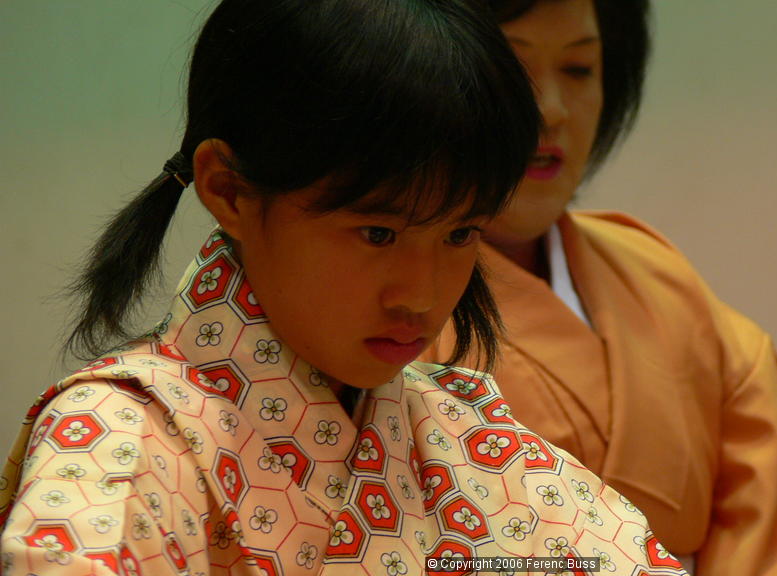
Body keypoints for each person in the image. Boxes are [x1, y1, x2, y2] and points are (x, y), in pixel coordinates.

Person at [0, 1, 695, 575]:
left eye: (460, 234)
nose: (421, 296)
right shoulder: (115, 443)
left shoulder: (472, 442)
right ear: (229, 190)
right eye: (378, 233)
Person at [423, 1, 777, 574]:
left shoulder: (662, 281)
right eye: (510, 71)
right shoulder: (386, 302)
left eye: (578, 69)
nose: (550, 109)